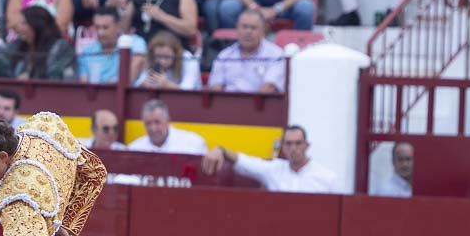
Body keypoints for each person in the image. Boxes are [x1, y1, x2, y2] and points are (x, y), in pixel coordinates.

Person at [203, 124, 338, 192]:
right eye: (288, 144)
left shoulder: (327, 177)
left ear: (307, 146)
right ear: (283, 148)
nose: (293, 148)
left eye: (298, 143)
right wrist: (220, 149)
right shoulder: (273, 169)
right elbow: (244, 160)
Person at [208, 8, 286, 92]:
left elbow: (268, 88)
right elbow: (215, 88)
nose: (248, 31)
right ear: (237, 29)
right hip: (228, 103)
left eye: (253, 28)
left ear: (263, 31)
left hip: (260, 103)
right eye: (244, 27)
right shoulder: (224, 55)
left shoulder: (276, 55)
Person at [0, 5, 77, 80]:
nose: (17, 27)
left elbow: (58, 76)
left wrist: (31, 78)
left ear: (37, 25)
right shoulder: (17, 45)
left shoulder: (61, 47)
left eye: (24, 23)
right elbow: (2, 63)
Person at [79, 5, 147, 83]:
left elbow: (128, 80)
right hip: (96, 95)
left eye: (105, 27)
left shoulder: (136, 43)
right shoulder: (86, 52)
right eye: (97, 27)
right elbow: (84, 87)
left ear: (118, 26)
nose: (100, 32)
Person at [128, 98, 207, 154]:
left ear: (168, 121)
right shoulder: (134, 148)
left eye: (157, 122)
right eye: (148, 123)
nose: (153, 128)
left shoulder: (193, 143)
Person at [135, 30, 201, 89]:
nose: (162, 61)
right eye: (158, 56)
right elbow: (137, 84)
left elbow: (189, 89)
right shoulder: (150, 59)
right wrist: (144, 84)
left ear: (176, 53)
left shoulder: (188, 59)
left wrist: (167, 85)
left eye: (167, 57)